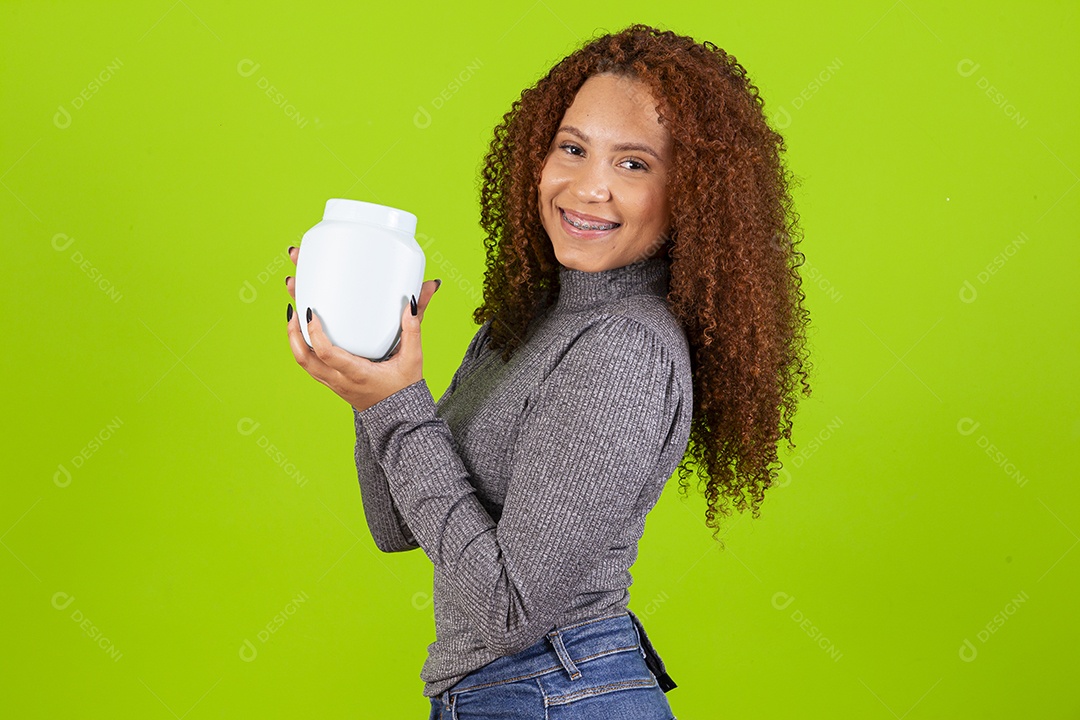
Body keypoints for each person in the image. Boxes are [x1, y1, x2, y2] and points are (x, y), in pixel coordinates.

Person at [284, 23, 812, 719]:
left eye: (633, 164)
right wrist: (370, 371)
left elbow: (508, 610)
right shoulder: (529, 318)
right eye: (573, 148)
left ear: (691, 194)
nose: (589, 188)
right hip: (515, 696)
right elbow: (397, 528)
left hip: (558, 694)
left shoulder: (624, 348)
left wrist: (398, 403)